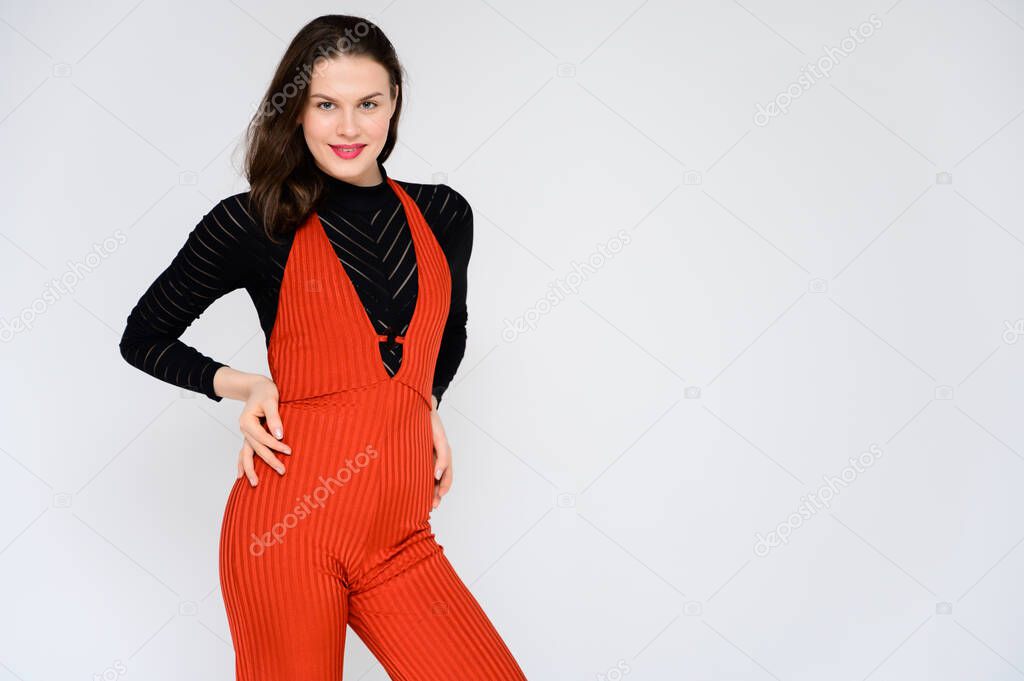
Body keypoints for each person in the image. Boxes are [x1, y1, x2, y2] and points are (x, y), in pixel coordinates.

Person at [118, 14, 527, 680]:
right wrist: (247, 385)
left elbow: (447, 331)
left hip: (401, 539)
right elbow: (144, 336)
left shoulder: (444, 214)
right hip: (287, 533)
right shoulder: (253, 222)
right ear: (298, 112)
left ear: (394, 104)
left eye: (368, 104)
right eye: (325, 105)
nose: (348, 127)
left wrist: (425, 402)